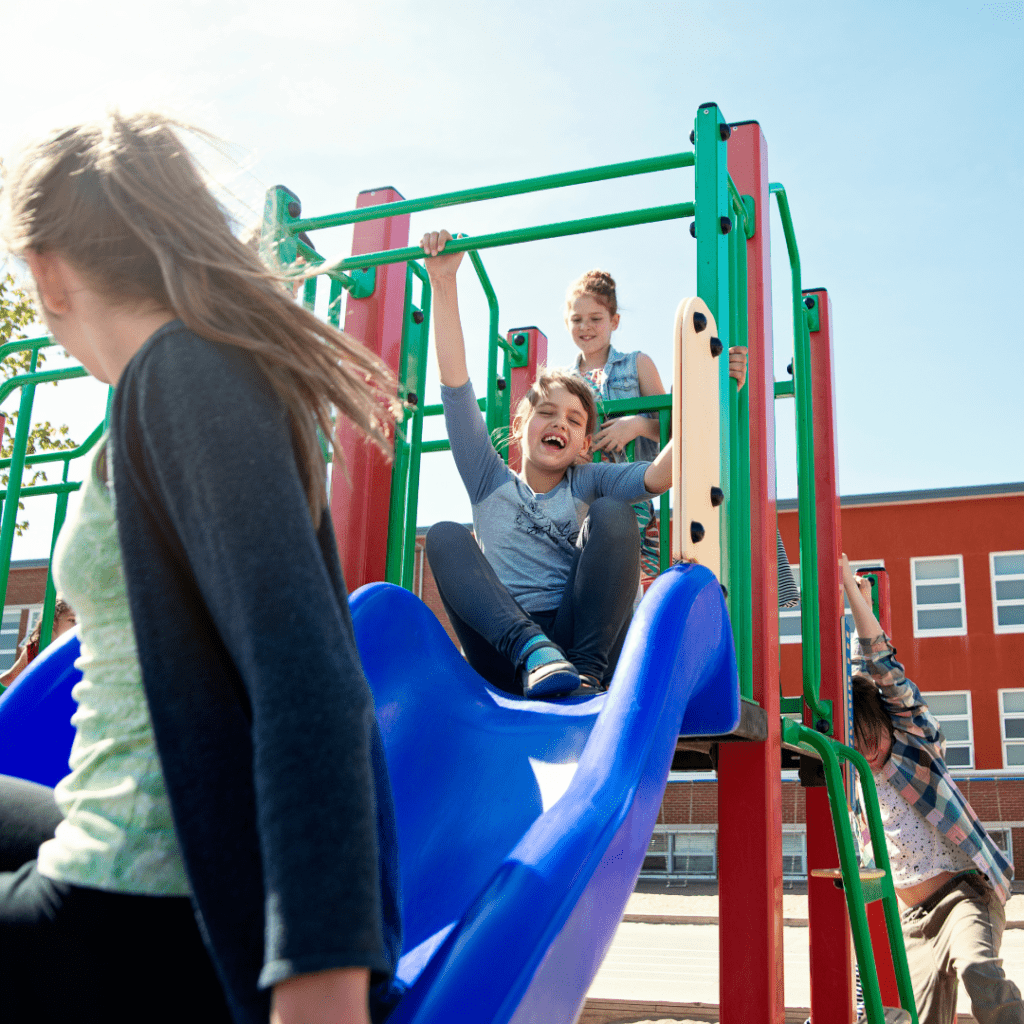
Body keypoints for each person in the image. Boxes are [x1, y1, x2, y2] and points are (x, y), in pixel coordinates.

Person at [0, 113, 402, 1024]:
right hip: (153, 845)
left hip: (136, 918)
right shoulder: (177, 378)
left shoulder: (185, 375)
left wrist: (321, 976)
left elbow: (309, 677)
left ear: (51, 274)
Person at [420, 231, 682, 700]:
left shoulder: (588, 480)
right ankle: (534, 651)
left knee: (614, 513)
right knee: (443, 535)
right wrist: (443, 282)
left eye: (574, 419)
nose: (558, 421)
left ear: (584, 445)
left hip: (584, 640)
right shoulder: (488, 479)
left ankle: (583, 672)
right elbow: (455, 388)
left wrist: (711, 393)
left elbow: (659, 475)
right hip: (508, 651)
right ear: (521, 425)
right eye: (546, 411)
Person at [844, 554, 1023, 1024]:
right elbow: (843, 684)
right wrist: (851, 611)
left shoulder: (911, 743)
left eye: (874, 742)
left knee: (979, 970)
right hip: (911, 920)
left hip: (963, 896)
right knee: (920, 1018)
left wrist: (853, 598)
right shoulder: (855, 777)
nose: (871, 755)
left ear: (889, 725)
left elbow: (881, 669)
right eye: (858, 749)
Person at [564, 268, 800, 606]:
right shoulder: (566, 379)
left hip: (634, 494)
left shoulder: (636, 365)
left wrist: (634, 425)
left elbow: (670, 427)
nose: (585, 327)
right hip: (583, 494)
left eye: (595, 318)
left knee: (628, 570)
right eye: (577, 319)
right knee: (583, 565)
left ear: (614, 321)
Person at [0, 598, 77, 690]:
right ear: (53, 623)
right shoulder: (35, 648)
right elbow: (11, 677)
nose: (77, 625)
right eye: (72, 620)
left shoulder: (79, 648)